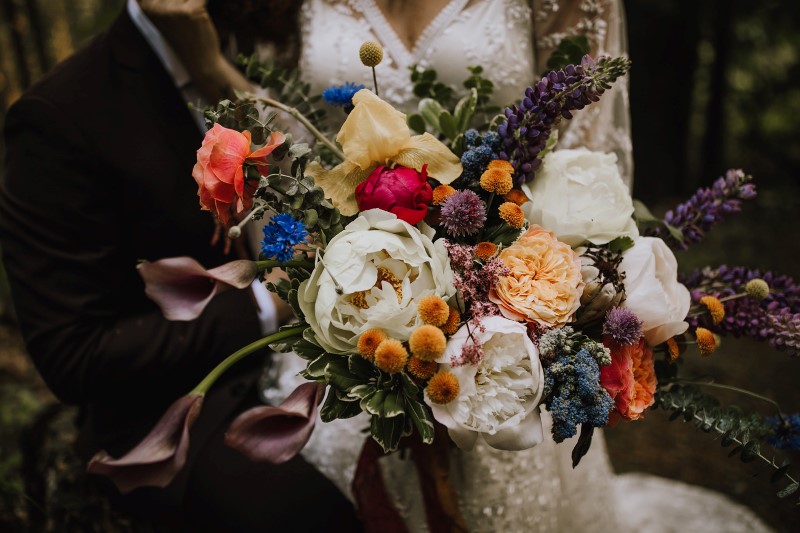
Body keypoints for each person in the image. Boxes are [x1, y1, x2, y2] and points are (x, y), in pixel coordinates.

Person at [0, 0, 361, 530]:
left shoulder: (284, 39)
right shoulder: (60, 115)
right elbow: (73, 354)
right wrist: (268, 300)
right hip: (188, 398)